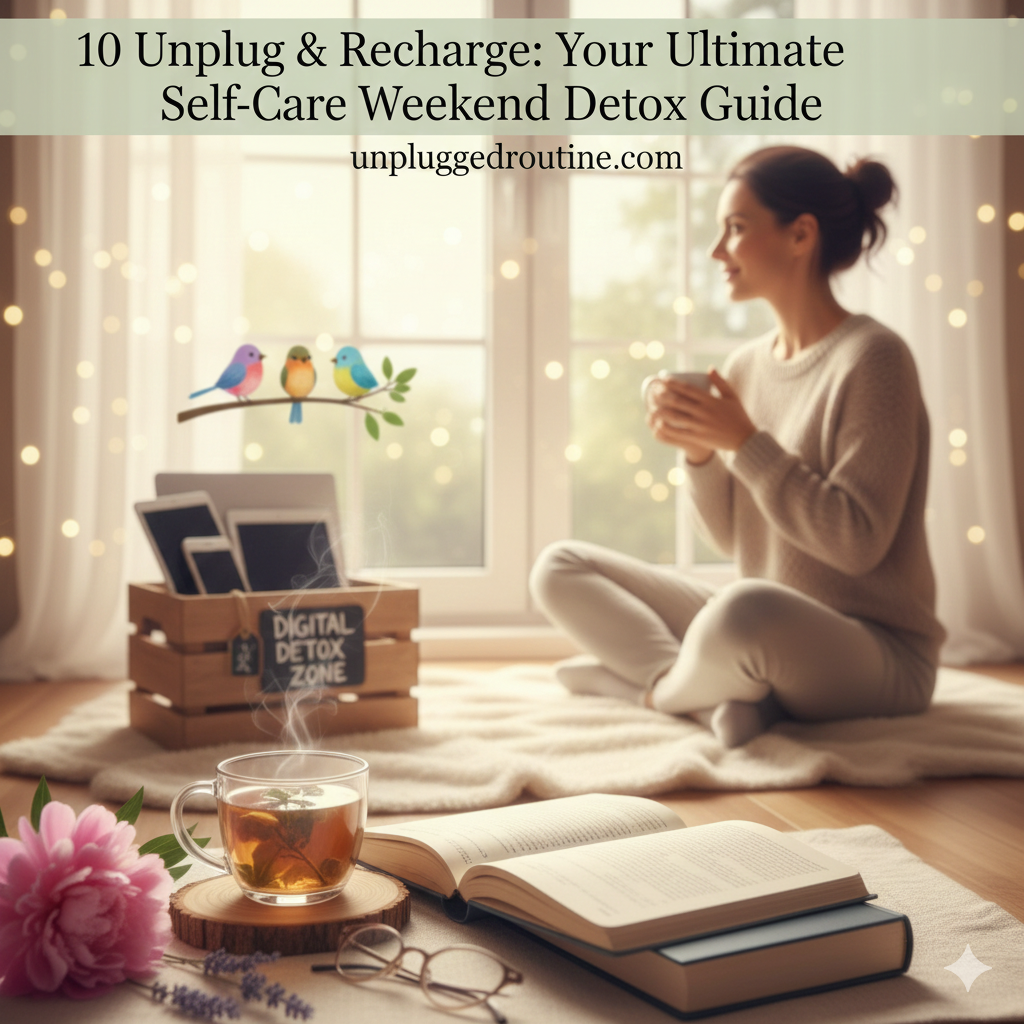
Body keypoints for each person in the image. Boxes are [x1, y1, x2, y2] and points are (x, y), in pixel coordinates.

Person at [529, 145, 946, 748]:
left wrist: (744, 443)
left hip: (880, 655)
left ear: (801, 235)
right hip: (773, 629)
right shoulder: (747, 365)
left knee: (743, 610)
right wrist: (699, 452)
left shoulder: (875, 358)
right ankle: (717, 699)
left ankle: (651, 691)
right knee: (559, 566)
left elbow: (856, 545)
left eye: (736, 228)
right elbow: (731, 539)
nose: (716, 251)